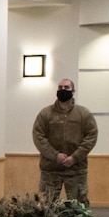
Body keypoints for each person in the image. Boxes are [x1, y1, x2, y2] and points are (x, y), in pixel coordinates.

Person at [32, 78, 96, 207]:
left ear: (73, 91)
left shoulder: (83, 114)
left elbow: (91, 137)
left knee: (79, 208)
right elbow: (38, 136)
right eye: (60, 87)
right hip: (50, 170)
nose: (63, 90)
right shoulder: (45, 113)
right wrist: (55, 155)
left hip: (76, 170)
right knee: (45, 206)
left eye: (66, 87)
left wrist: (75, 157)